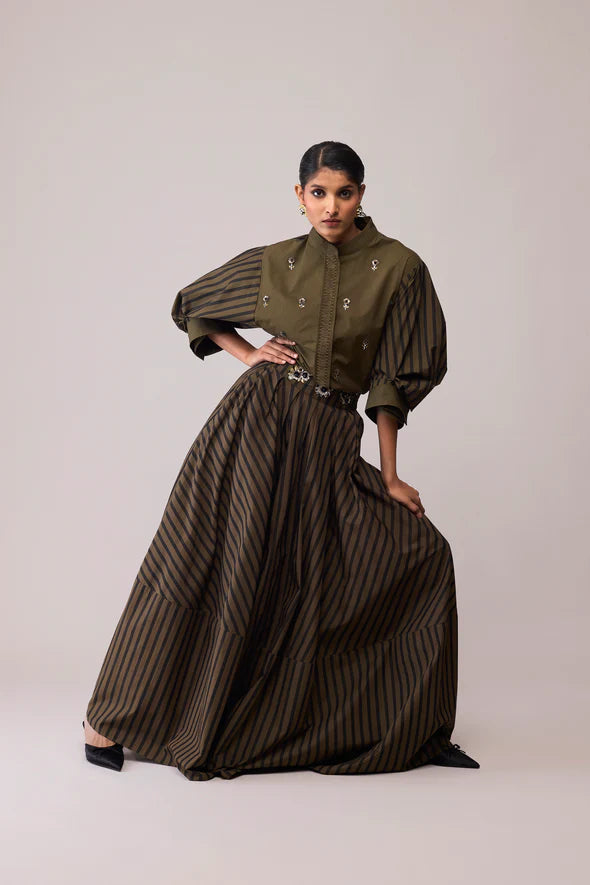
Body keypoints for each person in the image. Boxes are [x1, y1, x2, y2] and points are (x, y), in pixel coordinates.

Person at [82, 140, 479, 778]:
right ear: (299, 197)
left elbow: (392, 380)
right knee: (201, 560)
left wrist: (390, 475)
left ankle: (412, 729)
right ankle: (108, 718)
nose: (331, 206)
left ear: (362, 195)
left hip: (327, 439)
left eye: (343, 193)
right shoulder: (276, 262)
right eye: (318, 193)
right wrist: (249, 355)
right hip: (255, 428)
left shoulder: (399, 268)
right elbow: (193, 303)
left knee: (418, 556)